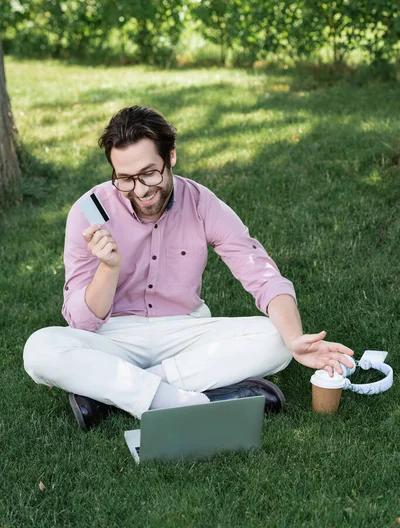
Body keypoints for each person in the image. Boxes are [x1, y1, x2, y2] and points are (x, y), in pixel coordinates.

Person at [23, 105, 354, 430]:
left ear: (171, 158)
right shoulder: (88, 211)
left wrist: (295, 339)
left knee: (277, 337)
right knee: (40, 348)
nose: (139, 190)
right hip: (113, 335)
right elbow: (80, 322)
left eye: (149, 173)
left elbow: (263, 276)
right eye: (124, 178)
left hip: (184, 332)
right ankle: (181, 400)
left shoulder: (202, 203)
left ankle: (112, 395)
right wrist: (108, 268)